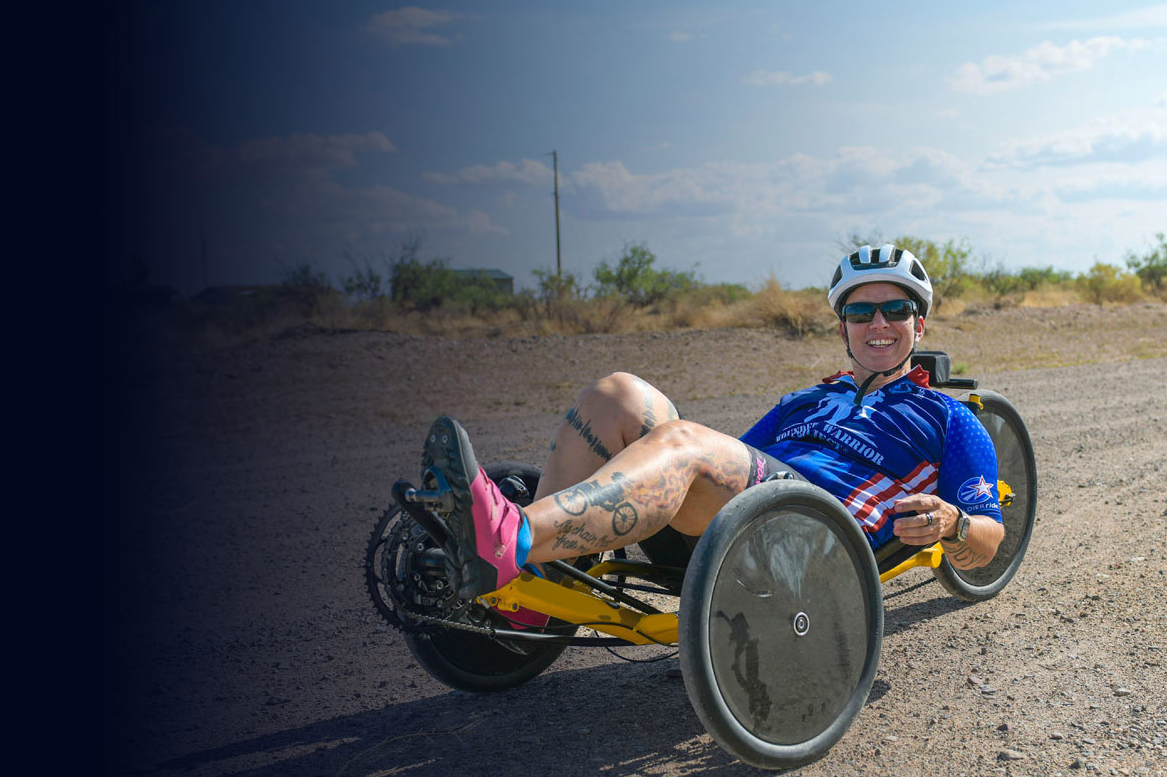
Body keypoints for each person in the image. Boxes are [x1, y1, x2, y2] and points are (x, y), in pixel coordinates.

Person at [422, 244, 1007, 611]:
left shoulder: (950, 417)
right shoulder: (804, 400)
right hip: (736, 528)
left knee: (683, 443)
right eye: (859, 312)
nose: (878, 323)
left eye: (895, 310)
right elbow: (732, 459)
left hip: (814, 544)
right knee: (617, 393)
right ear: (842, 329)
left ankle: (509, 537)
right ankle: (535, 582)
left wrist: (953, 522)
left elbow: (989, 540)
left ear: (920, 325)